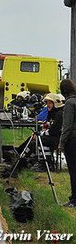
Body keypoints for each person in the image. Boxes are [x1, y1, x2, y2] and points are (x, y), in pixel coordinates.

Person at [58, 79, 76, 207]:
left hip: (73, 140)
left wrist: (61, 143)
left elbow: (67, 126)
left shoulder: (70, 103)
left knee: (74, 171)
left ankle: (74, 199)